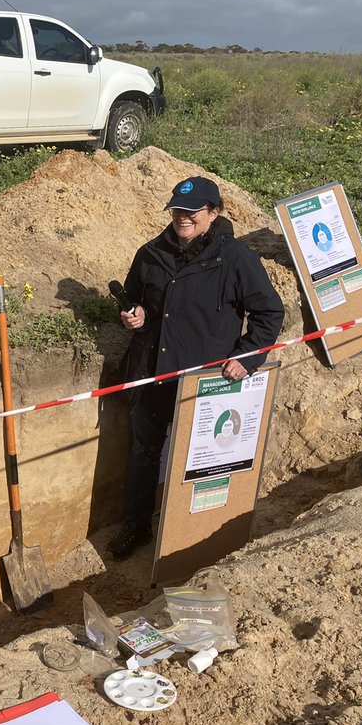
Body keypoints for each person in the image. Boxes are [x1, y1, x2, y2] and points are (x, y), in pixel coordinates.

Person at [108, 176, 283, 559]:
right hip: (154, 370)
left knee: (196, 460)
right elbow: (137, 297)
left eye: (192, 212)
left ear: (213, 212)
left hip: (204, 380)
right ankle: (137, 524)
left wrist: (247, 356)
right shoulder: (152, 252)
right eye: (177, 211)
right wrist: (134, 315)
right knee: (143, 451)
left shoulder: (235, 258)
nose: (182, 218)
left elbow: (270, 313)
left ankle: (191, 535)